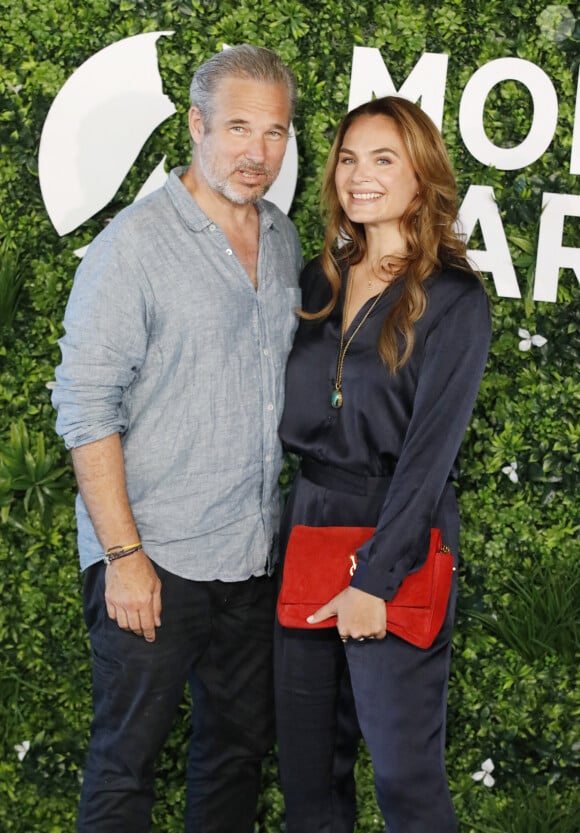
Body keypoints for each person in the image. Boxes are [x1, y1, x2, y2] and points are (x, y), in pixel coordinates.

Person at [52, 44, 302, 833]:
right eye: (237, 127)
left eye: (274, 132)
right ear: (195, 125)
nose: (256, 152)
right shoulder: (134, 244)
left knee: (234, 754)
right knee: (127, 764)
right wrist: (124, 559)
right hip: (150, 558)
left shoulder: (284, 238)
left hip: (248, 553)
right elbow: (87, 406)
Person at [274, 95, 491, 833]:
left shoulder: (455, 299)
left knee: (405, 779)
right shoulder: (317, 278)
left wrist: (373, 578)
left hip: (397, 534)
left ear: (421, 175)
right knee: (308, 780)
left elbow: (429, 459)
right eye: (347, 158)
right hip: (307, 526)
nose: (358, 176)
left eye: (383, 159)